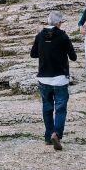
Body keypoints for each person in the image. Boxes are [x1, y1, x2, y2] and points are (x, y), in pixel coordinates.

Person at [30, 10, 77, 151]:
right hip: (60, 79)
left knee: (47, 107)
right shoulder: (63, 36)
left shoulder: (39, 35)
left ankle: (48, 136)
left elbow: (33, 54)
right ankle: (56, 133)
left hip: (44, 78)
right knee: (60, 109)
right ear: (58, 23)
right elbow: (73, 56)